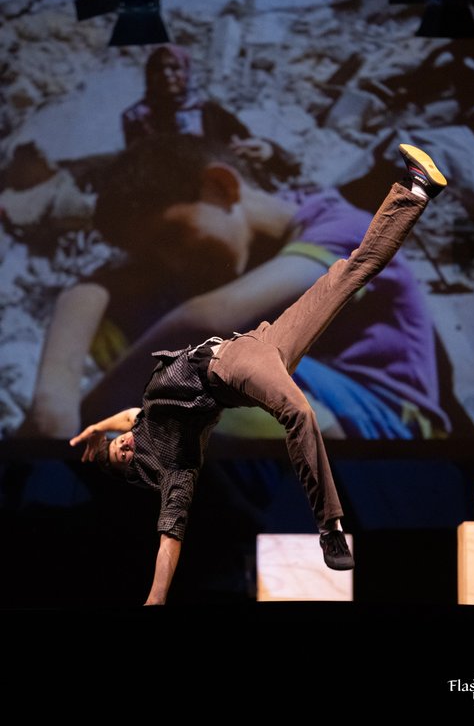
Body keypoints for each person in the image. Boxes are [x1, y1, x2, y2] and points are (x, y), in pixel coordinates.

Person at [69, 144, 448, 605]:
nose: (127, 448)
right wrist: (156, 597)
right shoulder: (179, 468)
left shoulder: (145, 418)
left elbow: (126, 413)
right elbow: (170, 540)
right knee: (297, 416)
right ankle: (331, 531)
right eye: (129, 460)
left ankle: (416, 189)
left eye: (119, 449)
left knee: (348, 274)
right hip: (247, 375)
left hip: (261, 348)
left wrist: (93, 426)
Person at [22, 133, 451, 443]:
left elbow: (208, 317)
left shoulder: (346, 230)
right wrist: (53, 400)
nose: (171, 264)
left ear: (221, 186)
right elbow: (91, 292)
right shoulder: (261, 226)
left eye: (171, 239)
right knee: (128, 329)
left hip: (386, 423)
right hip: (303, 410)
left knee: (224, 354)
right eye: (154, 256)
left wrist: (92, 415)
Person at [122, 43, 300, 188]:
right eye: (158, 69)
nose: (167, 74)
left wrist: (265, 150)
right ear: (148, 75)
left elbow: (248, 144)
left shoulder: (209, 112)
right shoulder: (136, 117)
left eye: (174, 67)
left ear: (187, 71)